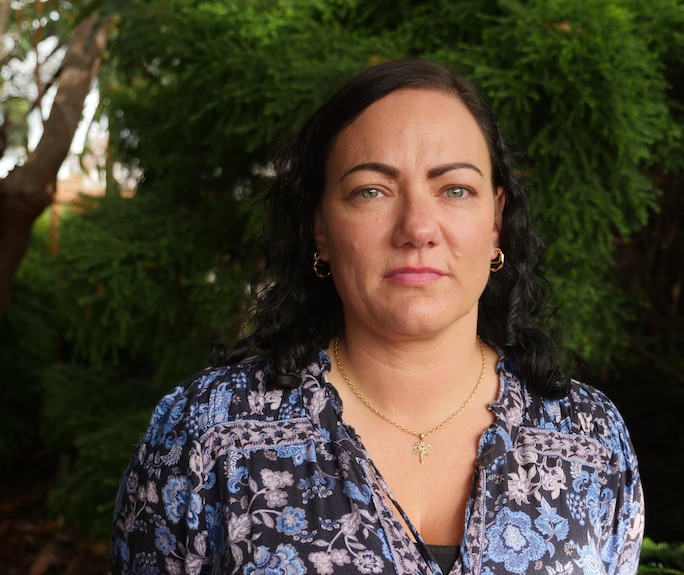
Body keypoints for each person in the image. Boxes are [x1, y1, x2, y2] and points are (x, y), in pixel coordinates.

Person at [110, 58, 643, 575]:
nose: (417, 228)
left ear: (496, 221)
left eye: (455, 189)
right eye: (372, 191)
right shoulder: (207, 435)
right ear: (321, 226)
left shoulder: (591, 440)